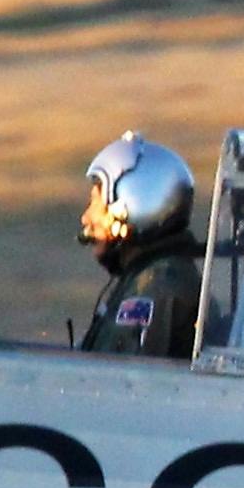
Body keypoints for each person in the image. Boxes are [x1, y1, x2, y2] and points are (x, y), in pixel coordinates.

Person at [71, 133, 204, 358]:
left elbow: (121, 381)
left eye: (95, 204)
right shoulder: (153, 276)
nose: (86, 218)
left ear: (131, 204)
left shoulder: (157, 287)